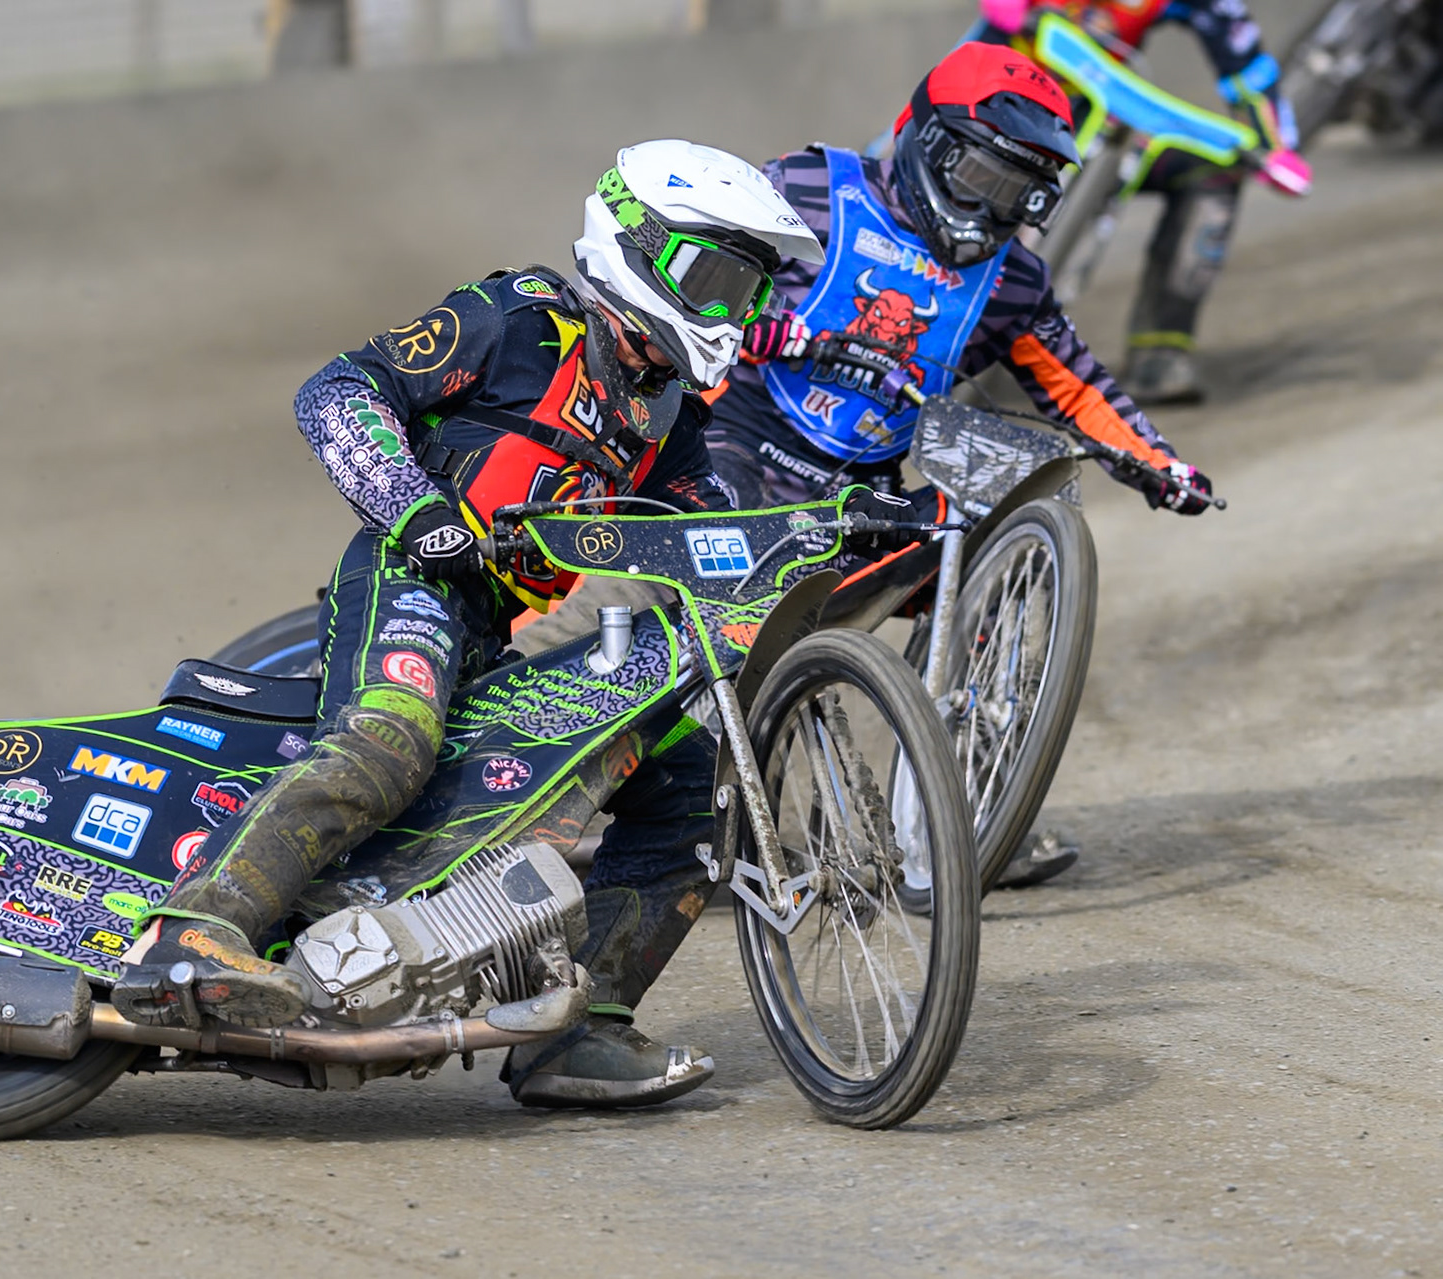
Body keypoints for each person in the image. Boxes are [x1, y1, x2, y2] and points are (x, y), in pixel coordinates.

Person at [114, 140, 826, 1108]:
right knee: (392, 738)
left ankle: (578, 1032)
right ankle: (191, 933)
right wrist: (416, 507)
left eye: (747, 292)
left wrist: (835, 532)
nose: (731, 312)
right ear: (637, 244)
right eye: (715, 280)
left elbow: (714, 532)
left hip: (499, 629)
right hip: (407, 576)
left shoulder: (667, 414)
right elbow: (337, 392)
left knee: (693, 791)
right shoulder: (516, 320)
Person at [704, 42, 1216, 887]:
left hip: (862, 494)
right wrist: (768, 334)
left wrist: (1157, 463)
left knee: (971, 585)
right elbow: (692, 286)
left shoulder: (1013, 284)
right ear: (927, 143)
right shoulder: (807, 189)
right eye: (982, 178)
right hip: (734, 444)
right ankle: (664, 806)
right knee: (715, 619)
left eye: (1019, 194)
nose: (993, 209)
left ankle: (951, 820)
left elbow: (1076, 383)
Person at [975, 0, 1313, 404]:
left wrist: (1276, 147)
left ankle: (1160, 352)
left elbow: (1245, 61)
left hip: (1103, 114)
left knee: (1213, 171)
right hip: (995, 107)